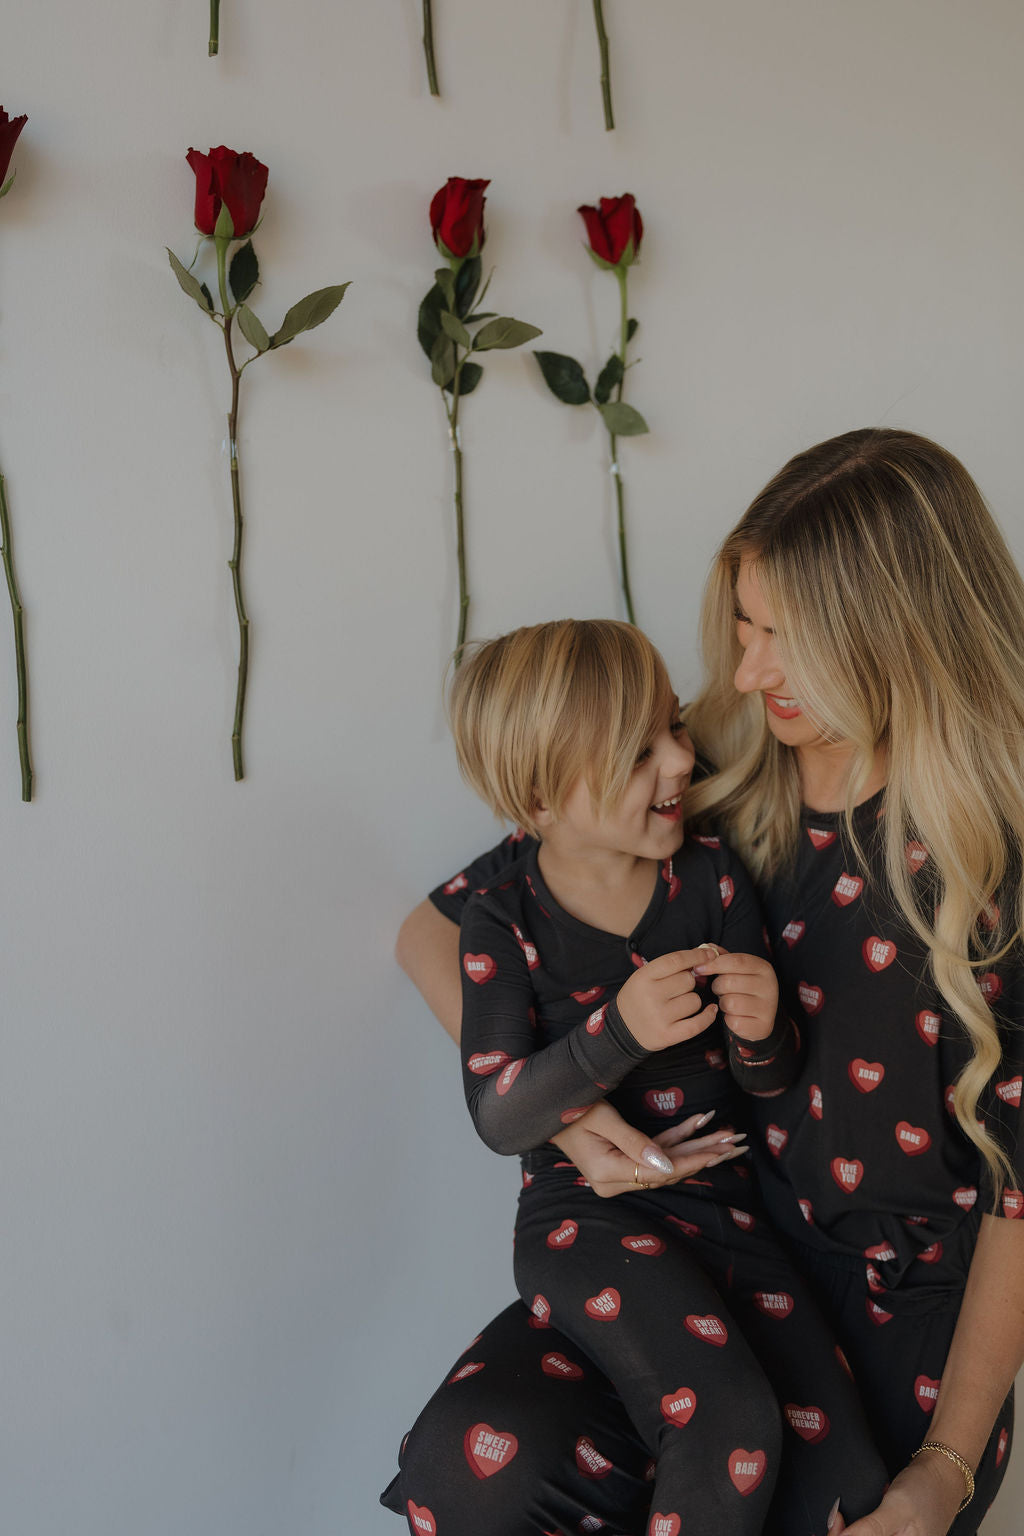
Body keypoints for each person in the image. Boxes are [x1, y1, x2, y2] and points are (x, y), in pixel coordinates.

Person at [382, 428, 1024, 1536]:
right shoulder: (701, 780)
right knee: (470, 1462)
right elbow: (435, 932)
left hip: (897, 1329)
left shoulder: (990, 861)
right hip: (695, 1245)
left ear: (897, 636)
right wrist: (571, 1111)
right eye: (744, 622)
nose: (745, 672)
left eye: (788, 636)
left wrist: (945, 1472)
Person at [444, 618, 887, 1533]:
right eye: (639, 751)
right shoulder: (503, 917)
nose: (682, 760)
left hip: (730, 1216)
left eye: (674, 726)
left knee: (851, 1483)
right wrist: (618, 1032)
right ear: (540, 796)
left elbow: (765, 1082)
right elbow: (497, 1114)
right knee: (731, 1423)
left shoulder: (712, 878)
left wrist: (765, 1031)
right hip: (589, 1223)